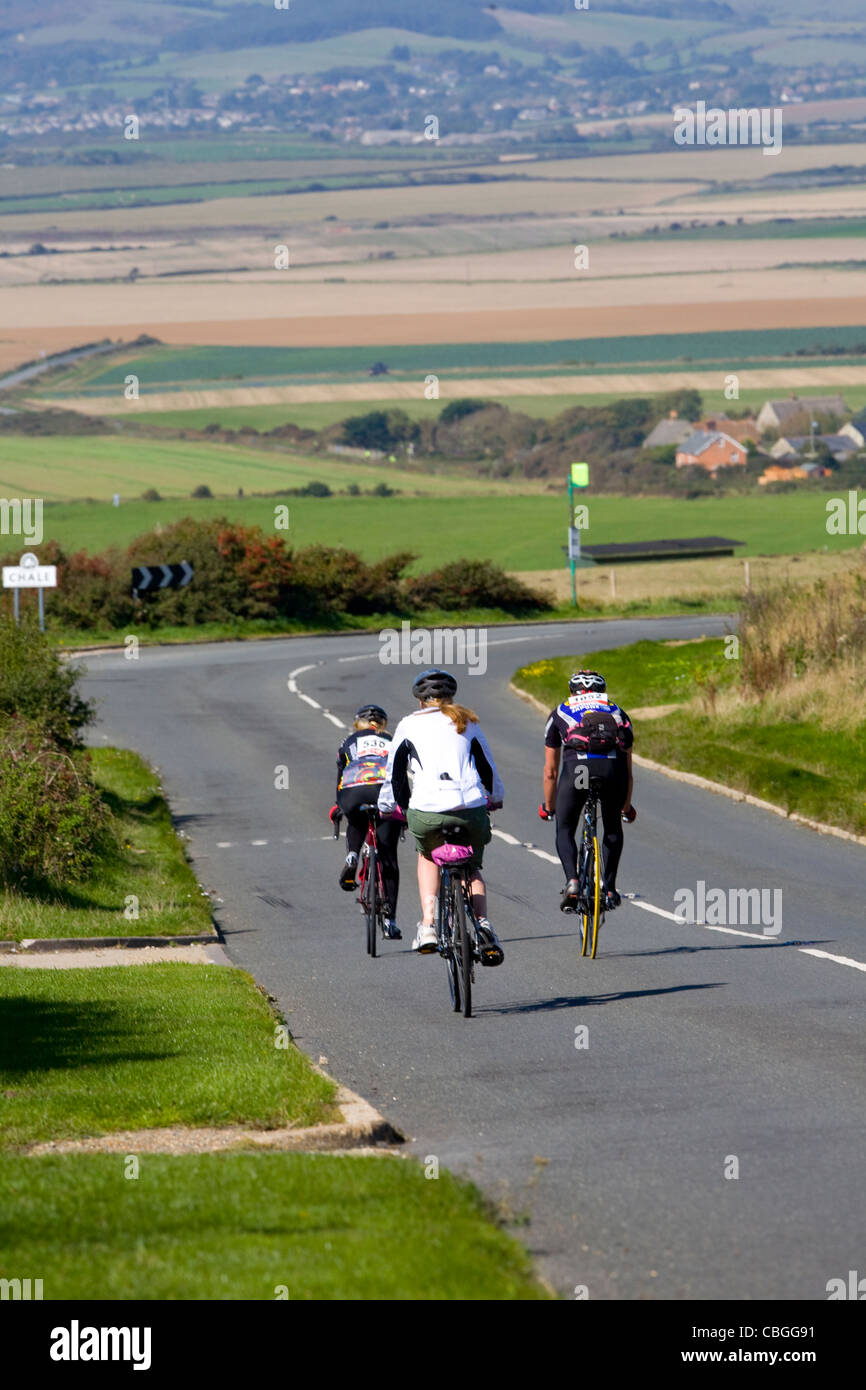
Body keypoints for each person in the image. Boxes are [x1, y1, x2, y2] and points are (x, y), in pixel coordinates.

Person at [377, 668, 505, 964]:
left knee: (427, 856)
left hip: (427, 809)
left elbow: (394, 776)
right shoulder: (467, 721)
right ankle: (484, 924)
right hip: (470, 807)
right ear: (451, 697)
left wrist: (392, 807)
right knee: (471, 867)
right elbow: (488, 767)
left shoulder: (408, 725)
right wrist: (495, 798)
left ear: (421, 702)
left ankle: (429, 926)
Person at [540, 669, 634, 913]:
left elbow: (550, 771)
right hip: (612, 773)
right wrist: (626, 808)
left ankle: (572, 880)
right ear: (601, 691)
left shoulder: (561, 711)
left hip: (578, 773)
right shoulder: (618, 712)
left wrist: (548, 807)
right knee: (613, 826)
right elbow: (628, 769)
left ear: (573, 691)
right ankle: (610, 888)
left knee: (565, 828)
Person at [330, 704, 402, 939]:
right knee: (389, 857)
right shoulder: (394, 741)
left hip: (354, 791)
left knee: (357, 820)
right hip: (384, 792)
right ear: (383, 724)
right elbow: (402, 780)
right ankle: (390, 921)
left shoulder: (348, 741)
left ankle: (352, 854)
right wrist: (407, 808)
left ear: (357, 724)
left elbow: (341, 777)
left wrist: (340, 806)